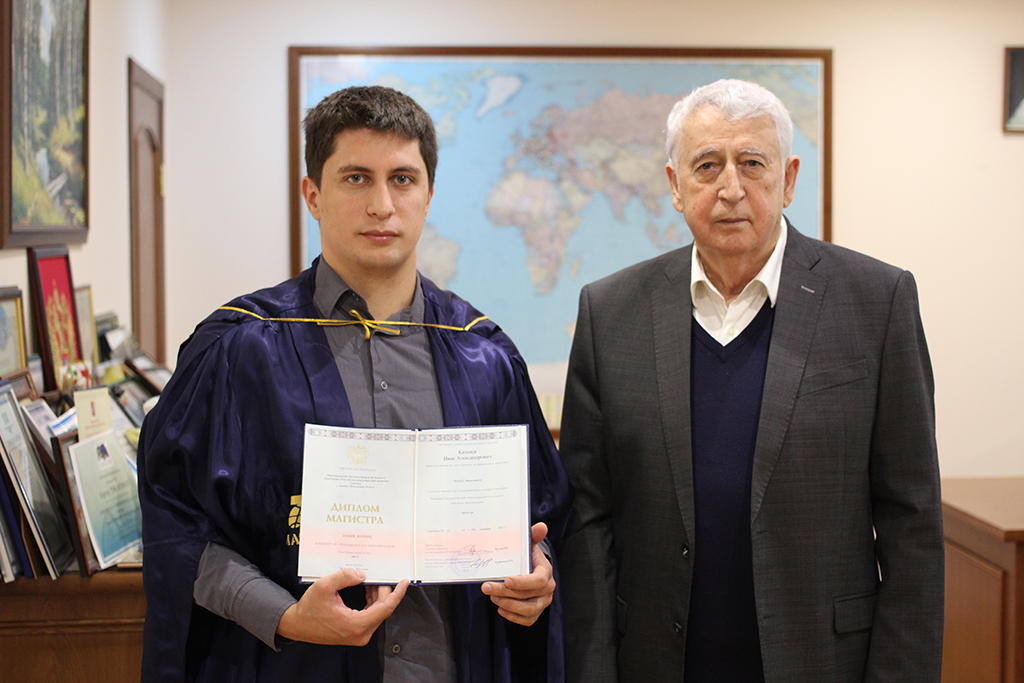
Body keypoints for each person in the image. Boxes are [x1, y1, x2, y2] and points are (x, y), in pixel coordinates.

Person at [138, 85, 572, 683]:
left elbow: (544, 518)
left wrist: (538, 569)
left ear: (428, 195)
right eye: (356, 179)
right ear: (313, 195)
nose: (382, 206)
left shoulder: (484, 356)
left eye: (402, 179)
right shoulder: (240, 351)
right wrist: (283, 614)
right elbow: (176, 525)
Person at [557, 79, 943, 683]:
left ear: (788, 180)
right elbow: (588, 517)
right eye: (707, 165)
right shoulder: (610, 313)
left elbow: (911, 520)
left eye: (752, 164)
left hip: (824, 661)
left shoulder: (877, 302)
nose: (731, 188)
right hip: (655, 659)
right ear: (675, 186)